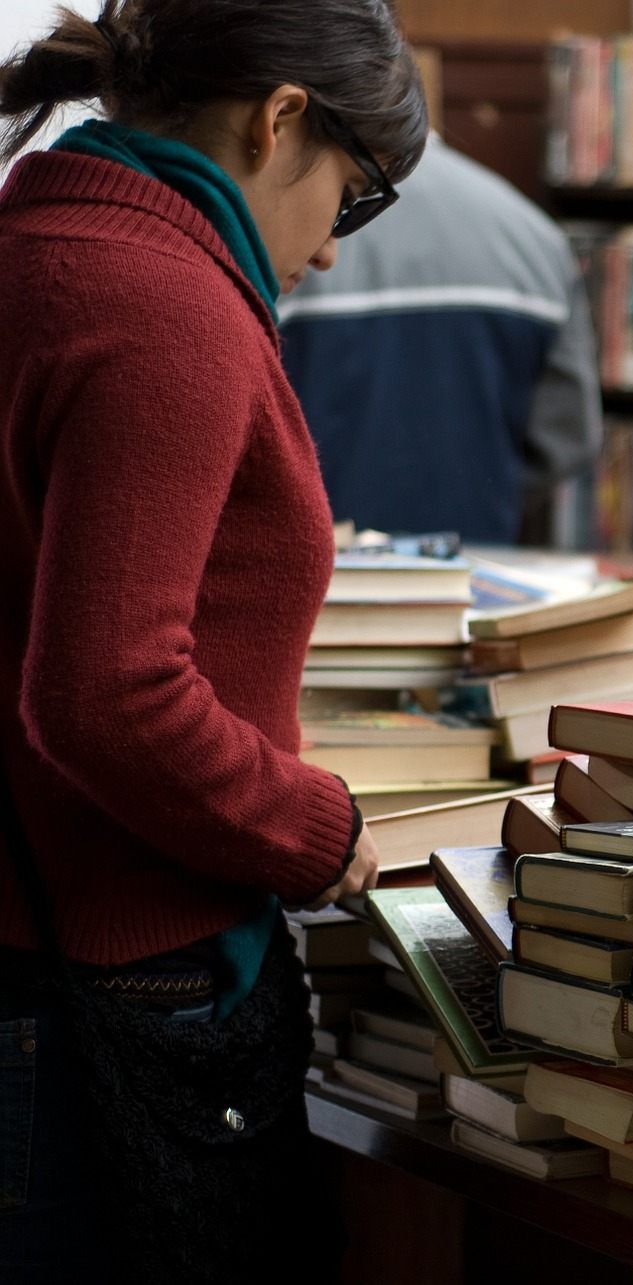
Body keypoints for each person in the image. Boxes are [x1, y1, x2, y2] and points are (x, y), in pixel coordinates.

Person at [0, 1, 426, 1280]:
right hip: (102, 988)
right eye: (351, 199)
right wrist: (313, 828)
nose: (336, 253)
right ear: (279, 118)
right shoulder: (164, 306)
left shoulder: (39, 249)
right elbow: (107, 692)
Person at [278, 134, 603, 543]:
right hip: (472, 568)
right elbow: (566, 436)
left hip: (320, 569)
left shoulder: (292, 236)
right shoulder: (533, 236)